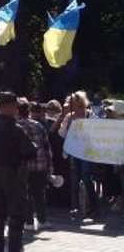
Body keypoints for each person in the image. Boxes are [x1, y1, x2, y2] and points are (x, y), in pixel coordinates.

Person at [0, 92, 35, 252]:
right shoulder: (16, 129)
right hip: (13, 173)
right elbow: (29, 152)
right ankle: (14, 248)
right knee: (16, 215)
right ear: (11, 107)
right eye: (15, 107)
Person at [55, 91, 98, 220]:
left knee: (86, 178)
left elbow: (96, 131)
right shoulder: (69, 116)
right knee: (74, 180)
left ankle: (93, 207)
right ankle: (75, 208)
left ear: (80, 101)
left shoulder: (90, 115)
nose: (72, 103)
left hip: (86, 153)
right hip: (74, 152)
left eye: (74, 101)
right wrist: (67, 125)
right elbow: (61, 134)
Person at [17, 101, 53, 231]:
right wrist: (50, 167)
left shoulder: (16, 126)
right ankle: (42, 220)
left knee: (25, 194)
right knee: (39, 193)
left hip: (23, 166)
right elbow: (47, 147)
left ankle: (29, 222)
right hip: (40, 164)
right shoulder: (38, 125)